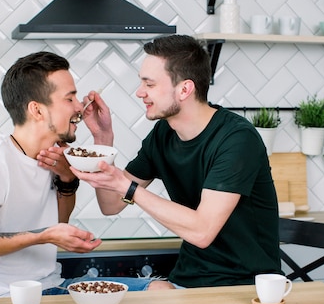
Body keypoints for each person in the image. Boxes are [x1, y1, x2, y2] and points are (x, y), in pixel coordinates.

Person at [0, 51, 172, 299]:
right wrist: (44, 236)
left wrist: (68, 181)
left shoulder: (55, 157)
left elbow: (59, 223)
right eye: (69, 99)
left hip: (50, 287)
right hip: (1, 300)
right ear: (37, 111)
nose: (80, 107)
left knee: (161, 290)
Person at [72, 35, 282, 288]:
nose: (140, 93)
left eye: (149, 84)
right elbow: (110, 205)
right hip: (187, 281)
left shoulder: (236, 139)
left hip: (245, 288)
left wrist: (128, 188)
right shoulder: (163, 134)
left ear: (184, 89)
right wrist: (102, 138)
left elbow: (202, 232)